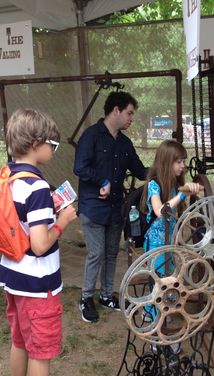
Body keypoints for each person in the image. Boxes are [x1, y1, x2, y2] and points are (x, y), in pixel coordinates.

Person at [0, 109, 79, 376]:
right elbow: (41, 243)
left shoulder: (7, 176)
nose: (53, 150)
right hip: (38, 283)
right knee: (41, 351)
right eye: (53, 145)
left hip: (12, 277)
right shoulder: (37, 188)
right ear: (35, 143)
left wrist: (48, 214)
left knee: (19, 340)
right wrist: (62, 221)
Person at [73, 91, 148, 323]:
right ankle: (86, 298)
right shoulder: (91, 136)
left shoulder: (125, 143)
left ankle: (106, 295)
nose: (131, 118)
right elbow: (80, 167)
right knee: (96, 253)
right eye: (129, 113)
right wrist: (101, 181)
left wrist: (163, 171)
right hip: (93, 206)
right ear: (116, 110)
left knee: (112, 253)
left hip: (116, 208)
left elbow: (139, 170)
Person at [140, 139, 200, 322]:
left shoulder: (174, 185)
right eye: (179, 162)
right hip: (156, 244)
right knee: (159, 282)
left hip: (170, 242)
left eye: (184, 161)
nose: (183, 166)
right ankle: (151, 318)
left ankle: (164, 316)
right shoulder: (154, 185)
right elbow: (160, 211)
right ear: (167, 162)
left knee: (172, 280)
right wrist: (183, 194)